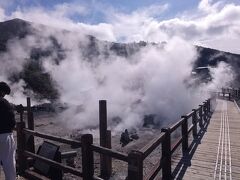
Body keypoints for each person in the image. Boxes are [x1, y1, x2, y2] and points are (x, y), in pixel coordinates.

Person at [0, 81, 16, 180]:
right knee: (9, 162)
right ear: (1, 91)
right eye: (5, 93)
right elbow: (12, 121)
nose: (5, 95)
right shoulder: (4, 103)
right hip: (5, 135)